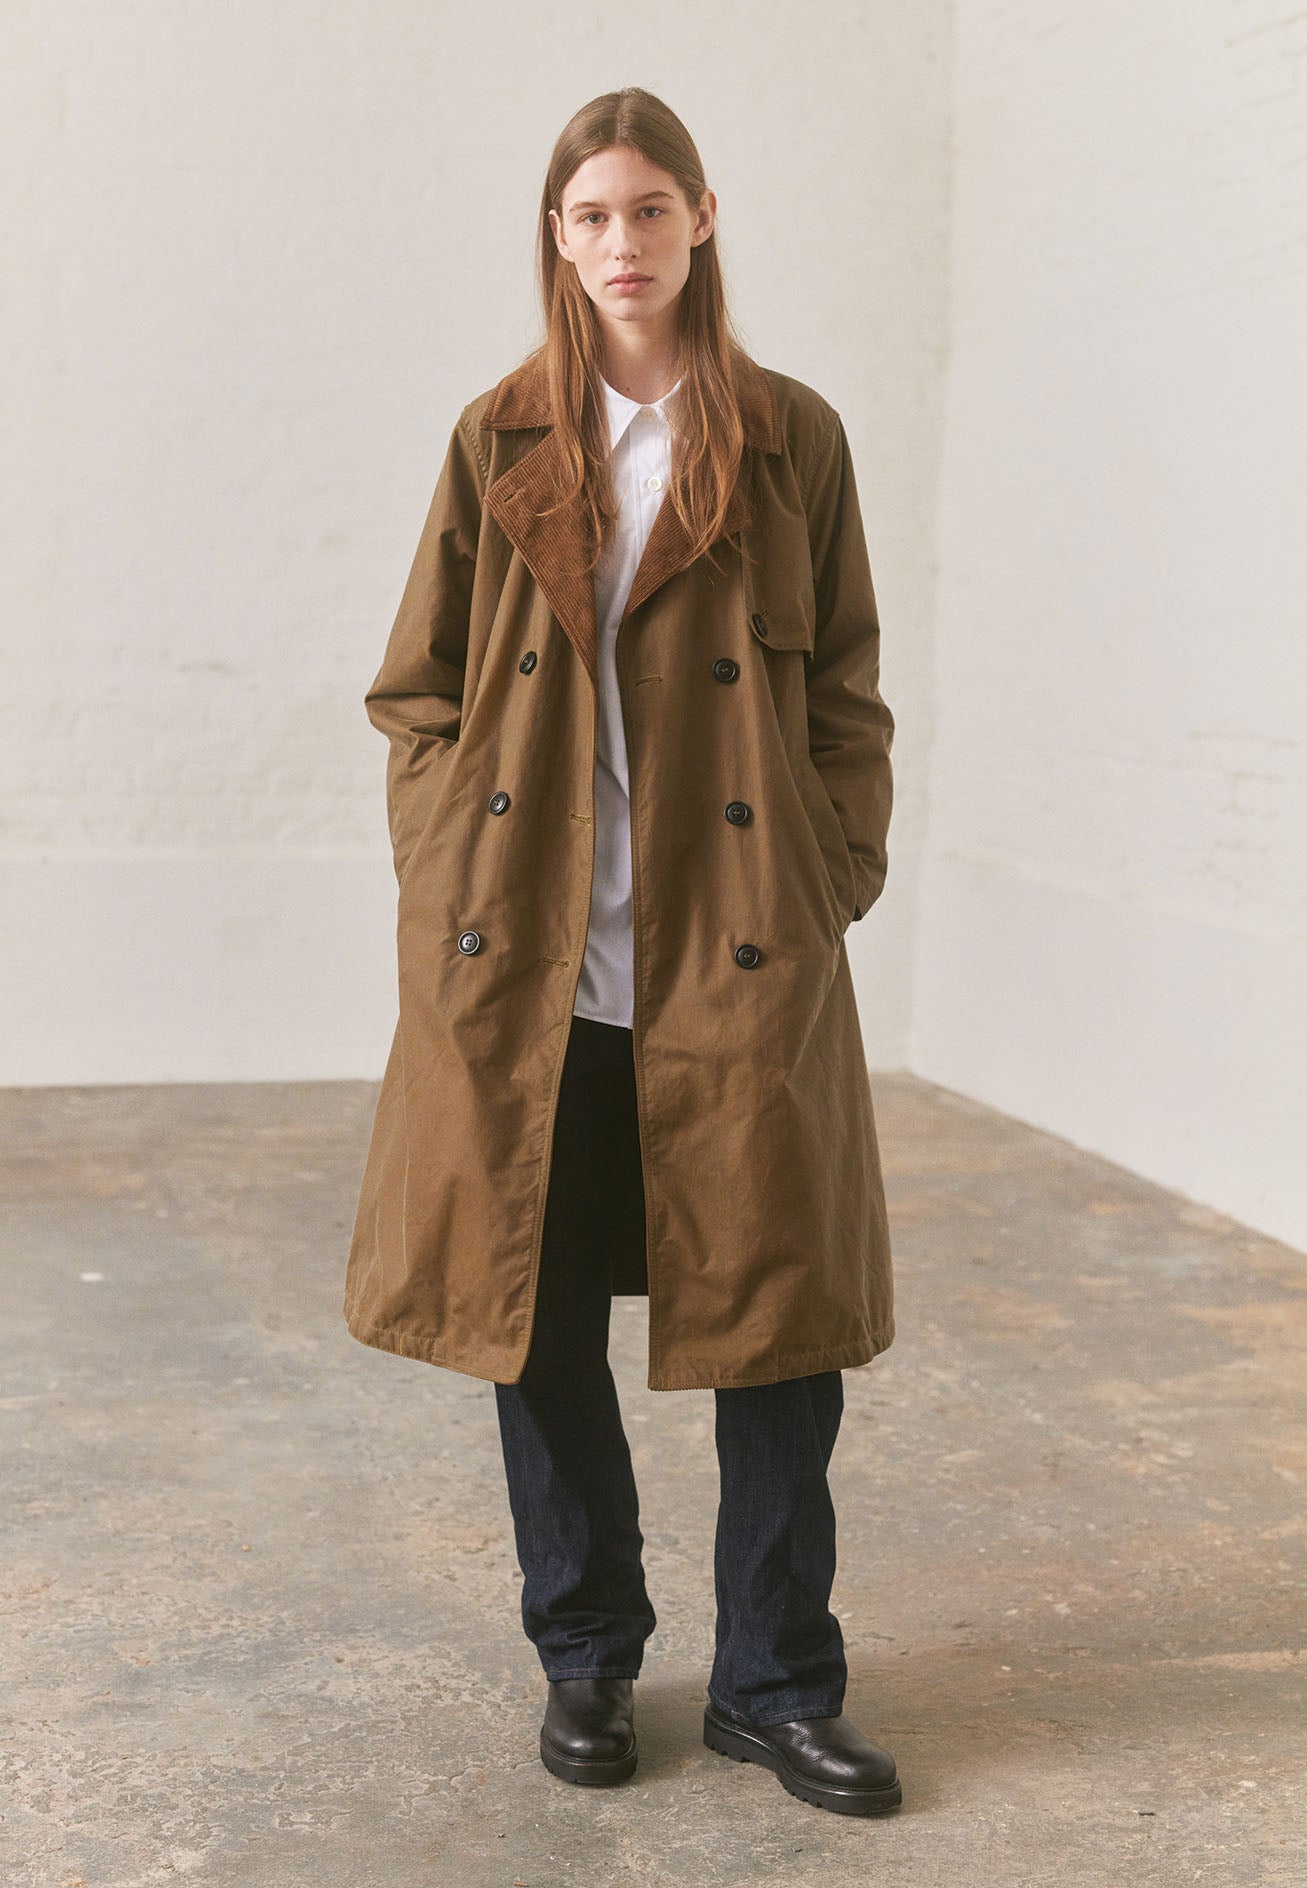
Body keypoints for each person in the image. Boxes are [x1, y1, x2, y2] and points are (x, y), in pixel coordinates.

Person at [344, 86, 900, 1818]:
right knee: (536, 1316)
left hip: (736, 956)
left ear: (704, 219)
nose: (622, 243)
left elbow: (851, 692)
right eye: (590, 216)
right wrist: (451, 875)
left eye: (649, 209)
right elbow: (416, 691)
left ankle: (772, 1682)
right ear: (558, 239)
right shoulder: (499, 435)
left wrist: (823, 876)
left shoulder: (791, 437)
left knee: (781, 1329)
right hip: (534, 970)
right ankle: (585, 1657)